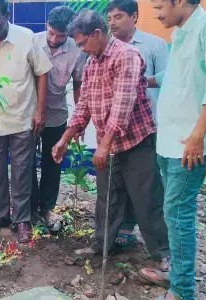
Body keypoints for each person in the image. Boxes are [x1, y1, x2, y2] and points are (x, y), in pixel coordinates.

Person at [52, 10, 170, 266]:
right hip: (111, 145)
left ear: (97, 34)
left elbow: (122, 104)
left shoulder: (126, 55)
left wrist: (104, 145)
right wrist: (65, 137)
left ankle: (164, 255)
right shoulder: (93, 62)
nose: (82, 49)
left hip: (136, 142)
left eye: (83, 43)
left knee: (147, 199)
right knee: (107, 197)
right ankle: (104, 245)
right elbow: (84, 104)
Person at [138, 1, 206, 299]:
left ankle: (182, 290)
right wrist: (142, 81)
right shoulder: (181, 34)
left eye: (159, 6)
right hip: (169, 141)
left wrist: (198, 135)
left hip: (188, 145)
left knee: (177, 212)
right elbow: (174, 77)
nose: (156, 14)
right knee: (173, 212)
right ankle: (177, 273)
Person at [0, 0, 52, 243]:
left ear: (7, 14)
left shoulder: (27, 38)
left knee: (22, 172)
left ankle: (22, 219)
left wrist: (40, 111)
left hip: (23, 119)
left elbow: (42, 72)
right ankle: (0, 215)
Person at [107, 0, 170, 247]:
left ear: (134, 17)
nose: (113, 22)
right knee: (118, 183)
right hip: (115, 130)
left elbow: (168, 83)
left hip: (145, 128)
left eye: (119, 16)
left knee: (145, 185)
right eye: (110, 17)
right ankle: (124, 228)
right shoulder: (106, 49)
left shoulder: (155, 45)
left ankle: (160, 248)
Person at [31, 6, 87, 228]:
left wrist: (79, 120)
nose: (54, 39)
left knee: (52, 162)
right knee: (26, 162)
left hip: (57, 115)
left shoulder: (76, 50)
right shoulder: (33, 42)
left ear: (69, 33)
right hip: (29, 113)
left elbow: (78, 84)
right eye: (51, 33)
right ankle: (28, 207)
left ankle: (46, 208)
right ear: (46, 26)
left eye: (61, 36)